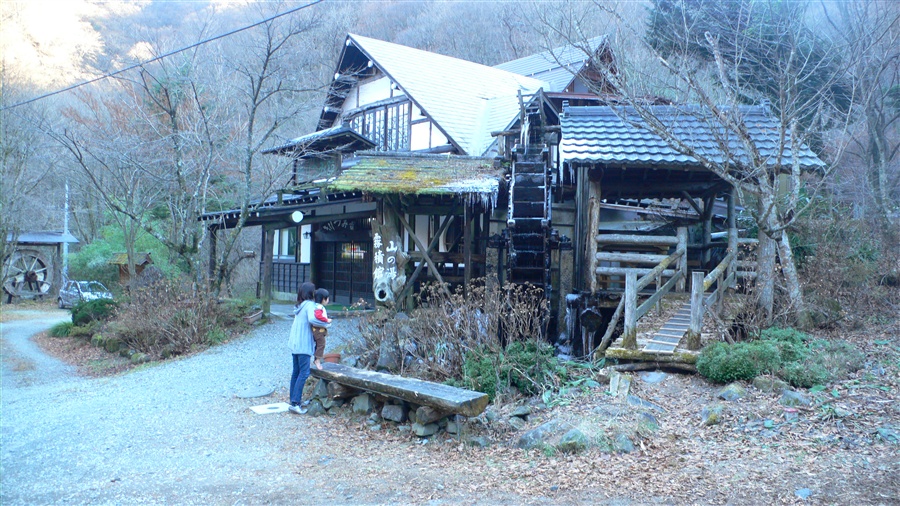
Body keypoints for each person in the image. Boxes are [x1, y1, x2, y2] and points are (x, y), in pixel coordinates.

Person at [287, 282, 328, 414]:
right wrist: (326, 322)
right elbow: (313, 319)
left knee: (296, 372)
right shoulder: (309, 305)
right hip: (303, 343)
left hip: (295, 343)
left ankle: (293, 400)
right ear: (310, 293)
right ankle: (295, 403)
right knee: (304, 373)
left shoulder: (299, 306)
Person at [311, 288, 333, 370]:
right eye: (327, 298)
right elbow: (318, 316)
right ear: (323, 299)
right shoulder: (319, 307)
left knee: (318, 344)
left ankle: (316, 359)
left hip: (317, 329)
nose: (328, 300)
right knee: (321, 344)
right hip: (318, 330)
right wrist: (326, 320)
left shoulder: (316, 306)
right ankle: (317, 360)